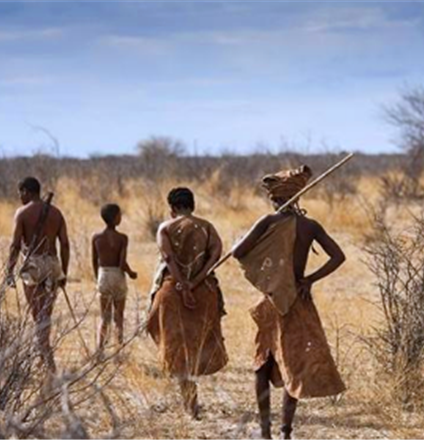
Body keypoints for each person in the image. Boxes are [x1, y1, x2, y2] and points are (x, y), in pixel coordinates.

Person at [232, 165, 346, 439]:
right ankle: (285, 431)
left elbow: (238, 252)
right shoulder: (310, 226)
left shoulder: (268, 222)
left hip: (272, 300)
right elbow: (338, 256)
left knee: (263, 364)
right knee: (292, 364)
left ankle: (266, 432)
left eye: (273, 197)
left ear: (277, 199)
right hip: (298, 299)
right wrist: (309, 280)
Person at [147, 187, 228, 419]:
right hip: (204, 292)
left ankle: (190, 405)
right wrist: (195, 283)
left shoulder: (165, 227)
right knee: (195, 344)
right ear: (192, 205)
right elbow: (215, 257)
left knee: (178, 348)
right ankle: (191, 403)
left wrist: (182, 285)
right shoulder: (207, 227)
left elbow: (168, 258)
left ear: (172, 208)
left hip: (172, 292)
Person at [5, 177, 70, 373]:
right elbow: (65, 244)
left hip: (32, 264)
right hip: (51, 264)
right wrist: (64, 272)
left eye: (20, 193)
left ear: (26, 191)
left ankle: (47, 360)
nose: (20, 197)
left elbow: (16, 245)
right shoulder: (56, 213)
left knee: (37, 315)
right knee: (45, 315)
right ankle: (43, 355)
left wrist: (9, 270)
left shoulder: (22, 213)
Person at [92, 203, 137, 356]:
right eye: (119, 215)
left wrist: (97, 278)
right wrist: (131, 273)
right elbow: (121, 263)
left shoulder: (96, 238)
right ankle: (118, 352)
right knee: (119, 317)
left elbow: (94, 261)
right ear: (115, 218)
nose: (121, 218)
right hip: (117, 276)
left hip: (103, 275)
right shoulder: (122, 238)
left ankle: (100, 351)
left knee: (104, 318)